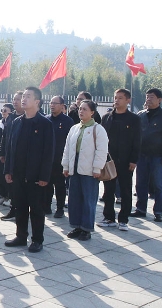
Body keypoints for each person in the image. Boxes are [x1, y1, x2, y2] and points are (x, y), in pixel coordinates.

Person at [4, 86, 54, 253]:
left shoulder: (45, 124)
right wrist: (8, 170)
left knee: (37, 209)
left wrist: (44, 176)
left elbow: (48, 152)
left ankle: (37, 240)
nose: (23, 99)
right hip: (18, 174)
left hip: (35, 176)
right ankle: (21, 236)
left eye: (28, 96)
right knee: (20, 206)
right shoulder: (16, 122)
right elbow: (10, 148)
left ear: (37, 101)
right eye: (23, 96)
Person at [62, 100, 108, 241]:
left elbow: (102, 150)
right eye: (80, 109)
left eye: (85, 109)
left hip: (89, 170)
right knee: (74, 199)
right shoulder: (74, 128)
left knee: (88, 200)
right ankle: (76, 226)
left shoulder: (98, 129)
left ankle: (86, 229)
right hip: (74, 167)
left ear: (92, 112)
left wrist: (97, 168)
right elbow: (67, 148)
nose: (81, 111)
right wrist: (66, 166)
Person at [99, 89, 142, 230]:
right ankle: (109, 217)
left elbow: (137, 141)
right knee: (108, 191)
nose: (117, 100)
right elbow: (101, 139)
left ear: (128, 100)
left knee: (125, 191)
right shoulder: (107, 117)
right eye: (115, 97)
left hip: (126, 161)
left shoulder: (134, 119)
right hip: (109, 161)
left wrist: (134, 160)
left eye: (120, 98)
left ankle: (123, 219)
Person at [131, 88, 162, 222]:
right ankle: (140, 209)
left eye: (152, 97)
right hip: (142, 155)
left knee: (158, 185)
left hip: (158, 156)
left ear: (159, 100)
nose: (148, 99)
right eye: (147, 97)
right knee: (140, 184)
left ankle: (158, 211)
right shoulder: (141, 115)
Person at [0, 91, 25, 221]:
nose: (15, 102)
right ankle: (13, 209)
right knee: (11, 184)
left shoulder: (28, 117)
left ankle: (21, 211)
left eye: (18, 99)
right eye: (14, 99)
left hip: (22, 158)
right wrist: (2, 152)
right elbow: (5, 137)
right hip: (10, 155)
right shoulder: (11, 117)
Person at [46, 96, 74, 218]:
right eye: (51, 103)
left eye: (55, 103)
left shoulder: (68, 121)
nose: (52, 105)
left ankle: (60, 208)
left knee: (59, 185)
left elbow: (71, 142)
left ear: (62, 106)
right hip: (47, 159)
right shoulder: (46, 119)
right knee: (46, 183)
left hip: (60, 159)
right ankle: (46, 206)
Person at [0, 103, 14, 206]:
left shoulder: (11, 123)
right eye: (2, 110)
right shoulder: (1, 122)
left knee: (6, 177)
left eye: (5, 110)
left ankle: (8, 197)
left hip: (6, 153)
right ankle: (1, 195)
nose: (3, 112)